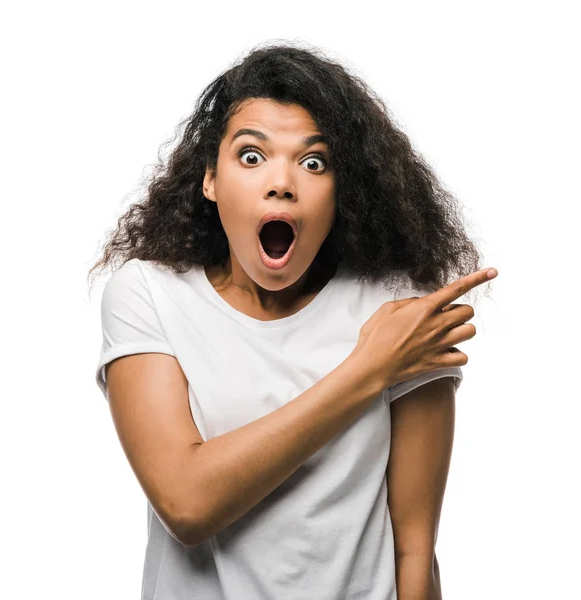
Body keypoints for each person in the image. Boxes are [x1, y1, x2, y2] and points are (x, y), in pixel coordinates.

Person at [88, 41, 495, 600]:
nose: (281, 182)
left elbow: (414, 550)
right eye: (251, 156)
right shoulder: (149, 295)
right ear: (210, 181)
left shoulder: (398, 307)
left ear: (342, 191)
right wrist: (368, 370)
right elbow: (187, 502)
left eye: (313, 162)